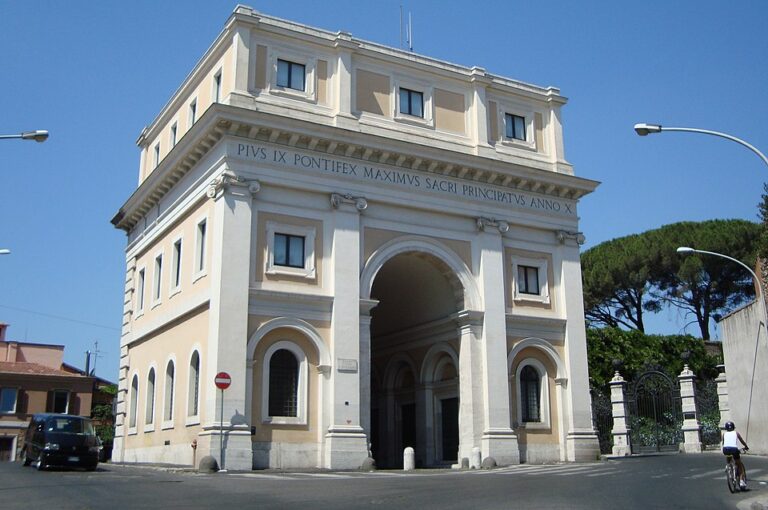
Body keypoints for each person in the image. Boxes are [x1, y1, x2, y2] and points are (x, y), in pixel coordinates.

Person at [722, 421, 749, 489]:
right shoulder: (736, 433)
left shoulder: (724, 434)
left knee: (728, 456)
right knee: (739, 464)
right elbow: (741, 440)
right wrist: (746, 446)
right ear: (733, 427)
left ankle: (728, 466)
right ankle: (741, 481)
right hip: (734, 449)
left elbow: (724, 443)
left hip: (725, 449)